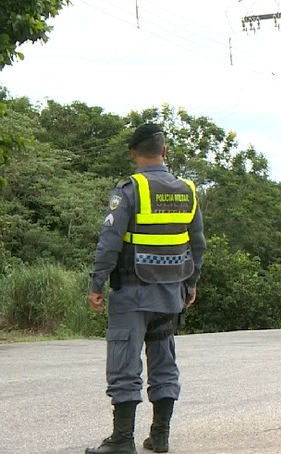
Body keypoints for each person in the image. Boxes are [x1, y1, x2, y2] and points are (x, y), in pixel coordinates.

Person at [86, 124, 206, 454]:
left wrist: (97, 283)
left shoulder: (129, 190)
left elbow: (109, 244)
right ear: (164, 151)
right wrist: (191, 284)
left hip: (132, 293)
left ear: (133, 153)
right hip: (171, 294)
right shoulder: (187, 191)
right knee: (164, 362)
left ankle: (122, 440)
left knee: (125, 365)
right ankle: (160, 435)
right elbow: (198, 245)